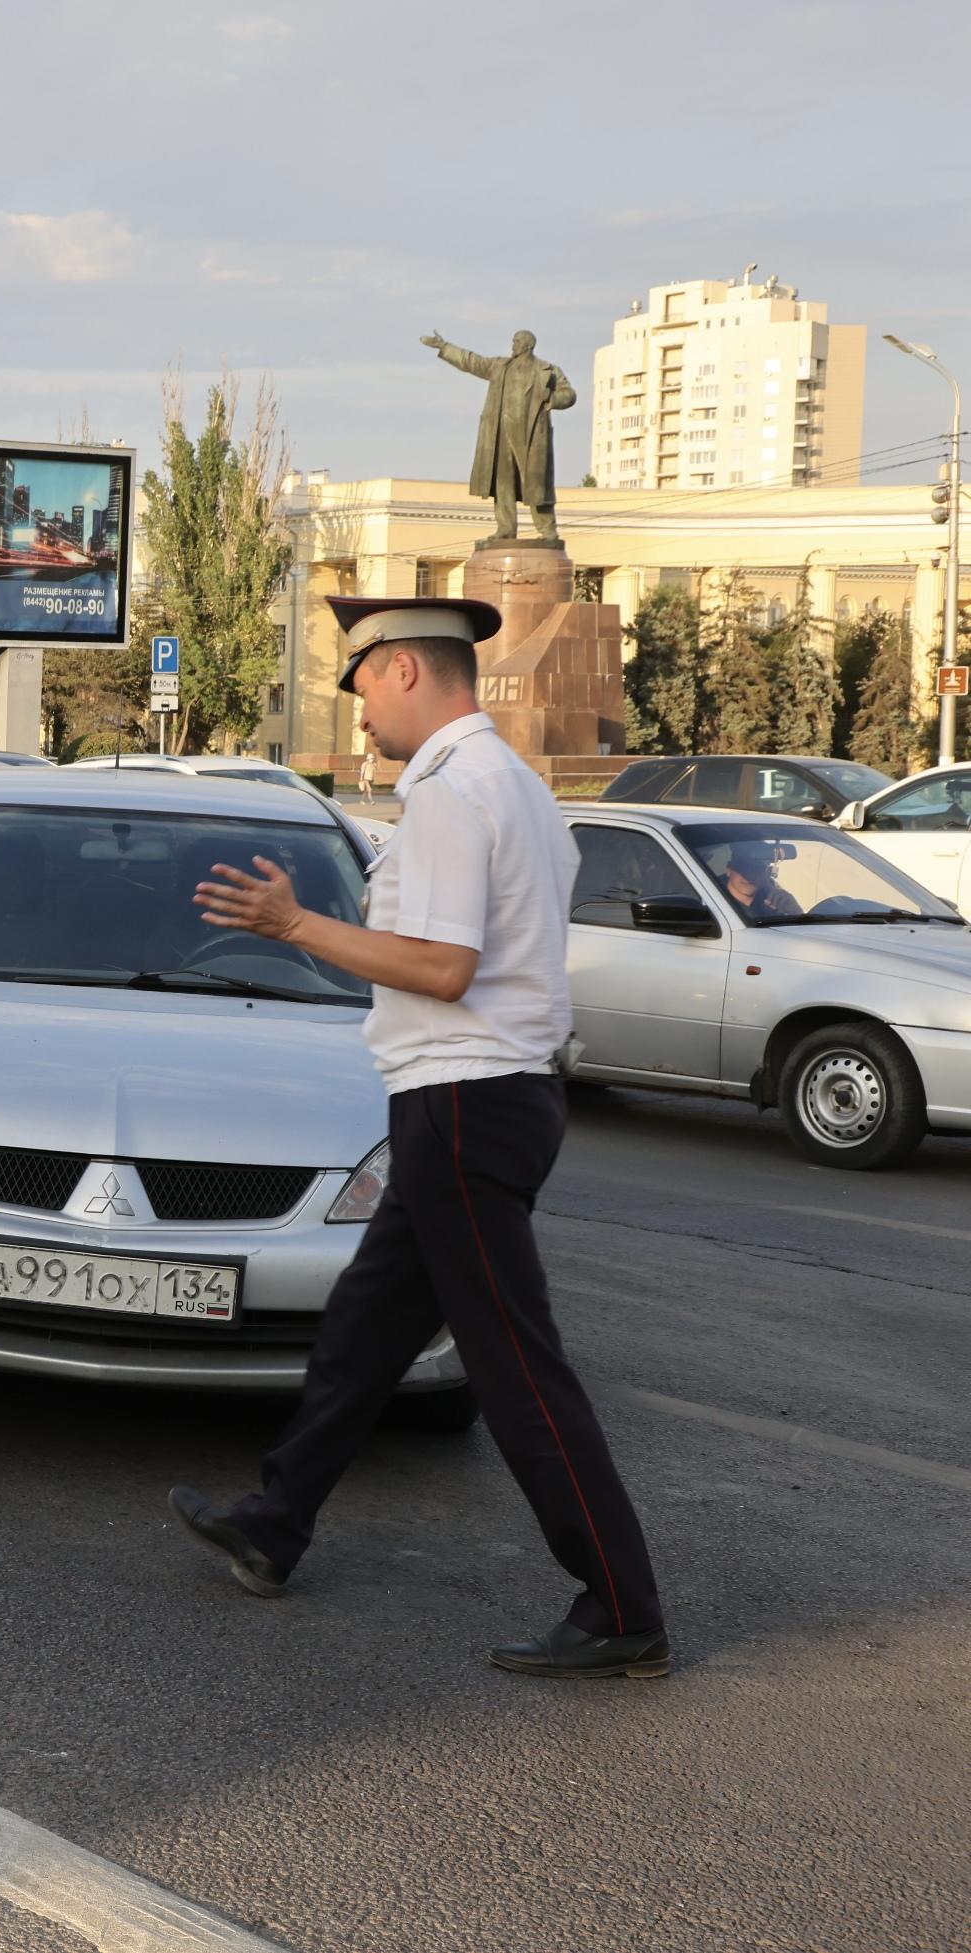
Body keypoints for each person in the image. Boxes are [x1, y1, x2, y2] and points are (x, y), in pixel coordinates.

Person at [170, 594, 670, 1680]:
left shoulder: (451, 795)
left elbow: (443, 968)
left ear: (400, 669)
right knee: (366, 1327)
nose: (357, 721)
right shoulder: (518, 788)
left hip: (465, 1099)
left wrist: (294, 923)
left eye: (359, 691)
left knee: (513, 1362)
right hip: (488, 1096)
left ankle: (621, 1603)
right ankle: (276, 1520)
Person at [711, 840, 801, 922]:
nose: (749, 875)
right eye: (742, 867)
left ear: (766, 875)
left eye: (757, 869)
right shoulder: (710, 902)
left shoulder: (774, 904)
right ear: (729, 869)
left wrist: (796, 913)